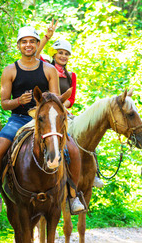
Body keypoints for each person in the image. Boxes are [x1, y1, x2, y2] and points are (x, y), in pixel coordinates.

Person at [0, 26, 86, 219]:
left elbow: (54, 99)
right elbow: (4, 103)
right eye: (24, 41)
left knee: (73, 150)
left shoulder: (49, 69)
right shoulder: (10, 70)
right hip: (18, 118)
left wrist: (47, 104)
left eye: (32, 41)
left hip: (44, 120)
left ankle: (73, 195)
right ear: (19, 45)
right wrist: (18, 101)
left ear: (37, 45)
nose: (28, 45)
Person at [36, 21, 104, 188]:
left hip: (63, 111)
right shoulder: (45, 66)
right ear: (54, 54)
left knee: (86, 135)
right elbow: (35, 55)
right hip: (45, 110)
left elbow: (71, 98)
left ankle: (93, 172)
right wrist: (46, 37)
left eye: (66, 54)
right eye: (60, 53)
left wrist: (62, 107)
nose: (63, 56)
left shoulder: (71, 75)